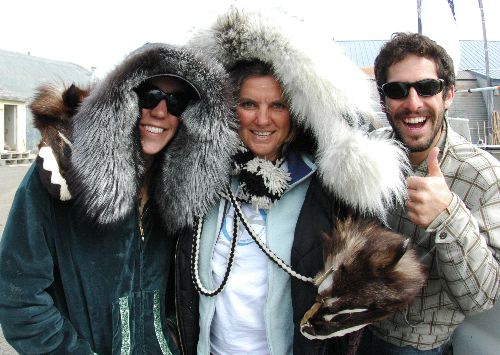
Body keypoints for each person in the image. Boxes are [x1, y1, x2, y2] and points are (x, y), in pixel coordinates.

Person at [174, 9, 411, 355]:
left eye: (278, 105)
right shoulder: (202, 181)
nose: (263, 119)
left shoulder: (324, 191)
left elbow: (386, 279)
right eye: (248, 104)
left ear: (297, 115)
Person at [0, 43, 237, 354]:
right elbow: (18, 296)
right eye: (148, 96)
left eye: (176, 102)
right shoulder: (62, 172)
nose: (160, 111)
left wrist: (169, 337)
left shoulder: (183, 191)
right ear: (121, 99)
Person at [358, 32, 500, 354]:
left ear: (448, 94)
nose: (413, 103)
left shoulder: (481, 175)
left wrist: (447, 215)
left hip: (416, 346)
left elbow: (482, 297)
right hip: (353, 331)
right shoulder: (370, 153)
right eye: (397, 91)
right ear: (383, 101)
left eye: (426, 87)